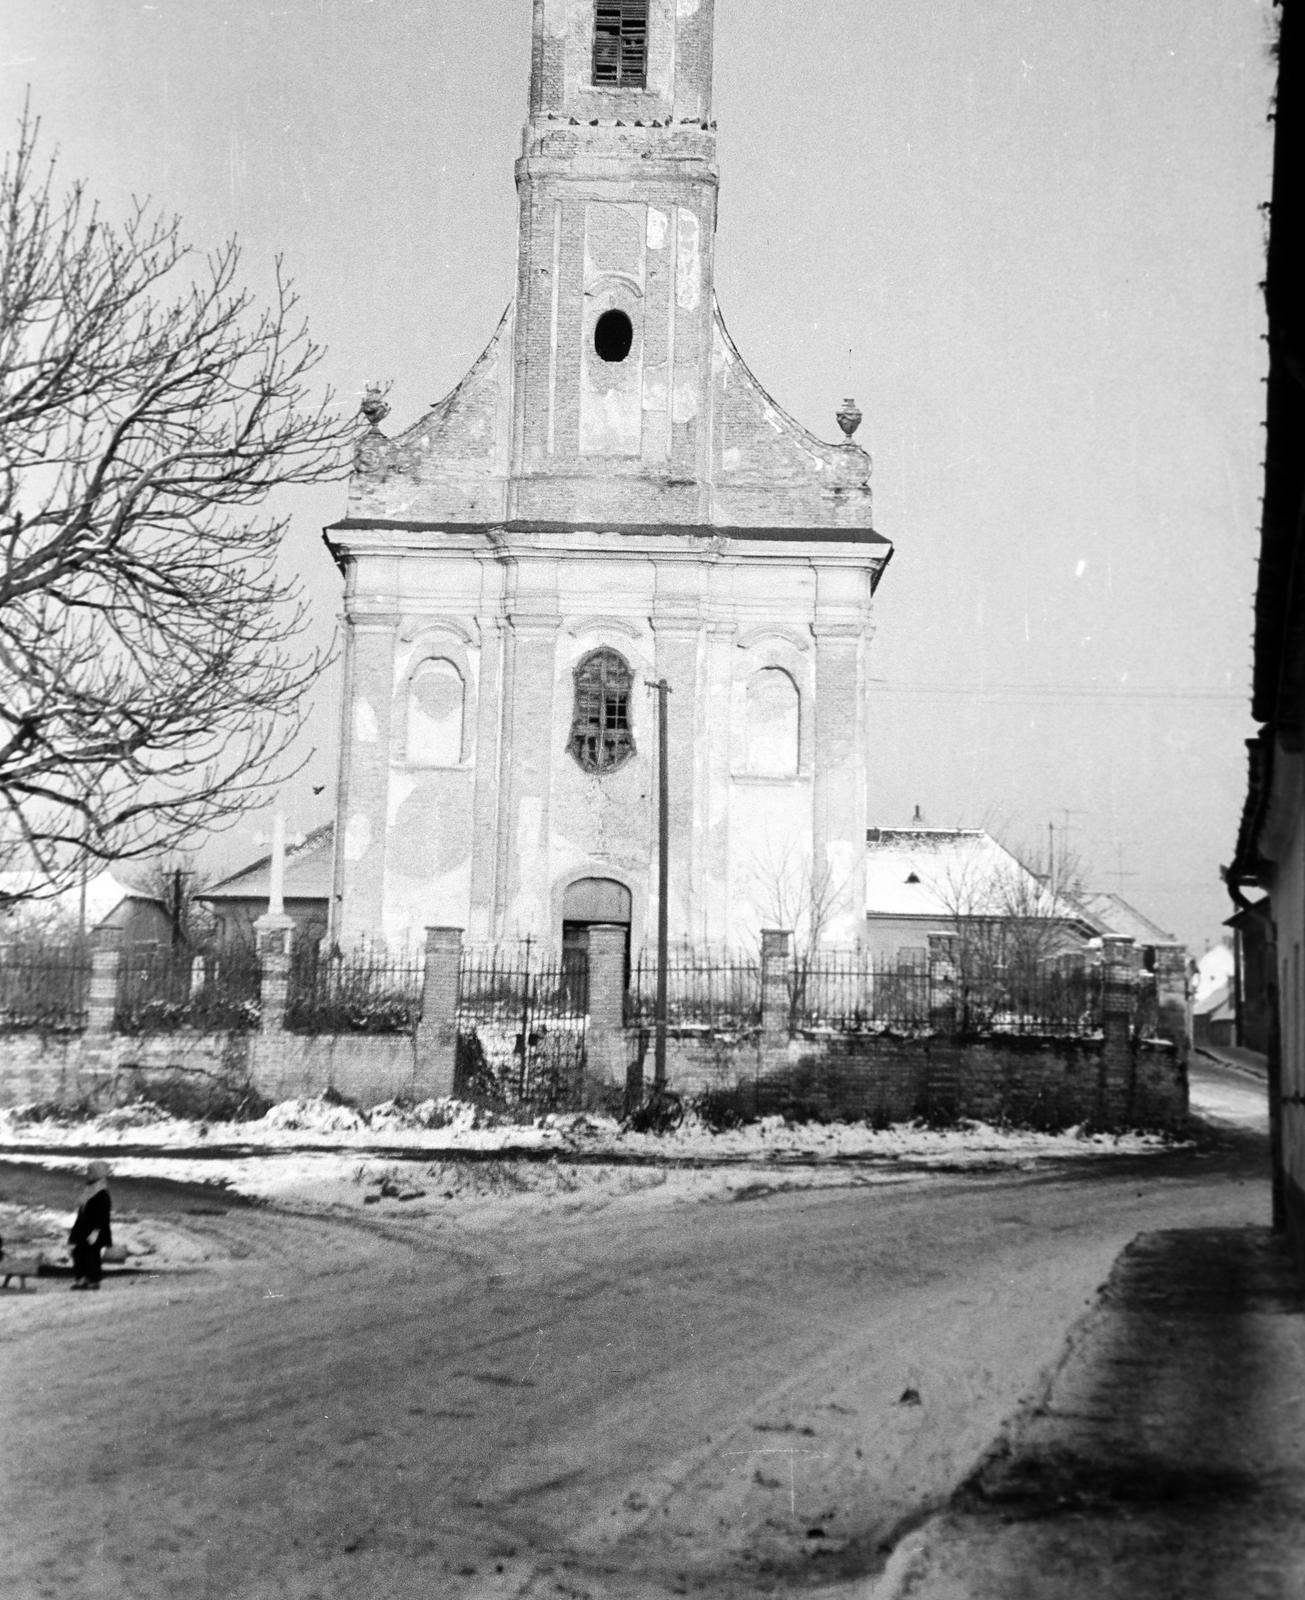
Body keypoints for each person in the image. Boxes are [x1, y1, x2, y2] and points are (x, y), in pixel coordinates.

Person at [68, 1161, 112, 1291]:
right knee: (78, 1254)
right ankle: (81, 1280)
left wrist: (96, 1231)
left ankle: (92, 1281)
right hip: (83, 1229)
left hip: (94, 1231)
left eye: (91, 1172)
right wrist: (73, 1234)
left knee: (91, 1256)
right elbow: (81, 1213)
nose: (88, 1174)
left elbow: (103, 1215)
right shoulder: (89, 1190)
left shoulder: (102, 1193)